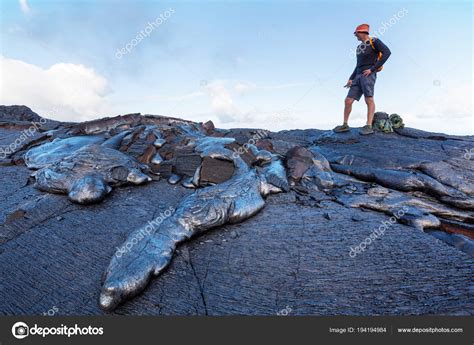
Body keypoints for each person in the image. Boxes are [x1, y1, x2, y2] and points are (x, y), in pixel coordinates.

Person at [334, 23, 391, 135]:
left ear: (362, 32)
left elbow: (387, 52)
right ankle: (345, 125)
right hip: (358, 75)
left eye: (356, 34)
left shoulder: (374, 41)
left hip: (368, 74)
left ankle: (369, 125)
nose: (355, 36)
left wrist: (373, 69)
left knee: (368, 99)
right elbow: (357, 65)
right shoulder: (359, 47)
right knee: (348, 100)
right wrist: (351, 78)